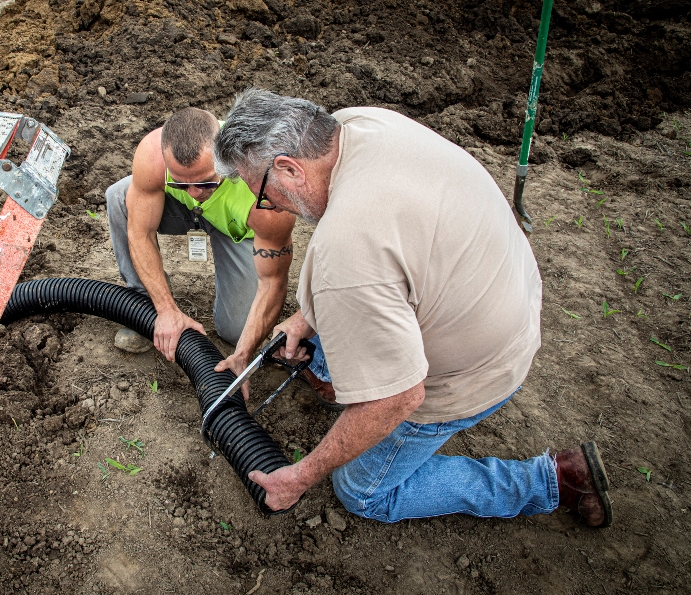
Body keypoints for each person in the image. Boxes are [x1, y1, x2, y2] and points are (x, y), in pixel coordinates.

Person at [212, 88, 612, 528]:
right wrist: (307, 316)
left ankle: (552, 481)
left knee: (361, 492)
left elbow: (399, 398)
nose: (268, 206)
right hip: (506, 292)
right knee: (342, 305)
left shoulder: (345, 251)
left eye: (264, 193)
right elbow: (393, 257)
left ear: (289, 168)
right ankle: (334, 375)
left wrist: (300, 476)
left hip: (478, 369)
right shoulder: (359, 123)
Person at [105, 107, 301, 394]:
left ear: (226, 159)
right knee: (119, 197)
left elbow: (273, 281)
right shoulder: (152, 154)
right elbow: (140, 233)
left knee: (237, 330)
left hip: (238, 228)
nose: (194, 192)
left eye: (206, 181)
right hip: (187, 214)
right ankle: (144, 307)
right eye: (181, 183)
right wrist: (165, 310)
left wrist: (243, 354)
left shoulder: (267, 194)